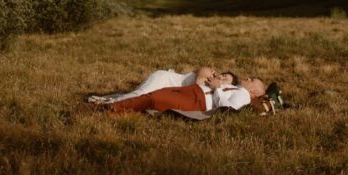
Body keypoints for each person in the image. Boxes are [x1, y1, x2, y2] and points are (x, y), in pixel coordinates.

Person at [104, 76, 267, 119]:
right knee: (159, 93)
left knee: (156, 99)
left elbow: (227, 110)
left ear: (253, 91)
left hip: (198, 100)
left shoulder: (243, 96)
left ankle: (112, 108)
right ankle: (119, 109)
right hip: (194, 91)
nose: (248, 78)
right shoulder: (237, 88)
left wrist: (217, 88)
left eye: (252, 80)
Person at [87, 66, 238, 105]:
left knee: (138, 94)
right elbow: (196, 85)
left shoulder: (216, 89)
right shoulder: (207, 72)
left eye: (226, 80)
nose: (222, 78)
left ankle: (108, 97)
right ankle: (105, 102)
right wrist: (215, 85)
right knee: (140, 95)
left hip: (167, 89)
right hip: (164, 79)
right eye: (224, 75)